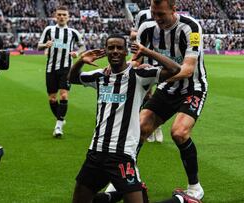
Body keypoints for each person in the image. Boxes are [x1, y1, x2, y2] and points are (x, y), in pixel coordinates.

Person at [68, 33, 200, 203]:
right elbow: (71, 78)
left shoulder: (140, 76)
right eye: (111, 48)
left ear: (125, 52)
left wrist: (147, 51)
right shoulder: (100, 76)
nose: (115, 51)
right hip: (96, 152)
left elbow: (174, 69)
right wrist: (80, 61)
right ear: (106, 52)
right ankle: (117, 194)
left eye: (119, 48)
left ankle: (181, 201)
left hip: (122, 155)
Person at [136, 0, 208, 200]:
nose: (157, 19)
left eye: (161, 14)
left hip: (192, 88)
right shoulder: (146, 27)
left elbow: (188, 69)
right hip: (167, 87)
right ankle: (128, 180)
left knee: (179, 132)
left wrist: (153, 75)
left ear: (173, 10)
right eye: (153, 13)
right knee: (139, 127)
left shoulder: (191, 28)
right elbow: (137, 59)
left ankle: (195, 187)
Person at [38, 5, 85, 137]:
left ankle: (58, 125)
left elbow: (83, 46)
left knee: (64, 95)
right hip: (51, 69)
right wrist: (45, 45)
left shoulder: (73, 32)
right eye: (59, 14)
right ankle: (61, 119)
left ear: (68, 17)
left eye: (64, 15)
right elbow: (38, 46)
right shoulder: (49, 29)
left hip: (67, 68)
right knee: (52, 99)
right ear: (55, 16)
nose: (61, 17)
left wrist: (77, 52)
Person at [131, 8, 164, 143]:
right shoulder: (142, 15)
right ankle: (149, 125)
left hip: (163, 60)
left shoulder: (169, 15)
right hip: (145, 60)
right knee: (148, 95)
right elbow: (134, 33)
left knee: (161, 93)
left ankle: (158, 126)